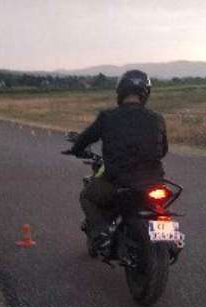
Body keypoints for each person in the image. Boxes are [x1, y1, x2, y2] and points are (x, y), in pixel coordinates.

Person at [63, 70, 168, 255]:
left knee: (87, 196)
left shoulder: (107, 117)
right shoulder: (157, 118)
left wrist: (76, 149)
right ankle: (170, 241)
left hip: (119, 181)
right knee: (161, 210)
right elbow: (163, 150)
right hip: (154, 181)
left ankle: (101, 233)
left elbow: (84, 139)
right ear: (145, 93)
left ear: (120, 92)